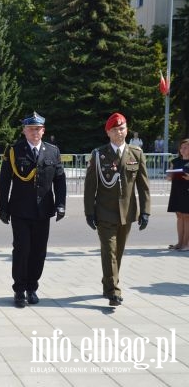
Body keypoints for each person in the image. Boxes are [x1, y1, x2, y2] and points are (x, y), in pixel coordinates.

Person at [0, 112, 66, 308]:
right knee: (22, 250)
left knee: (39, 251)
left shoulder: (53, 151)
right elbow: (4, 181)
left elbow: (59, 181)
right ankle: (19, 290)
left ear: (43, 131)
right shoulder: (14, 151)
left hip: (43, 211)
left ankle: (32, 287)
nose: (34, 132)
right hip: (20, 210)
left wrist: (60, 204)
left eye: (38, 129)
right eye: (31, 129)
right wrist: (2, 207)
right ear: (24, 131)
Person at [84, 112, 150, 307]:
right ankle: (114, 290)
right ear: (108, 133)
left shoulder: (136, 153)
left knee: (118, 252)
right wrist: (89, 212)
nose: (119, 133)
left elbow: (143, 185)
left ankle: (107, 284)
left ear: (127, 130)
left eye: (122, 129)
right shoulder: (99, 154)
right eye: (115, 130)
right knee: (109, 251)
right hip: (105, 212)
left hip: (128, 212)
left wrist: (145, 211)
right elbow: (90, 186)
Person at [166, 138, 189, 251]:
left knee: (187, 217)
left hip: (187, 191)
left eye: (185, 147)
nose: (182, 149)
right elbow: (169, 176)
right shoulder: (175, 161)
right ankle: (179, 243)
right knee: (179, 216)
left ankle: (186, 244)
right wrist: (169, 176)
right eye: (181, 147)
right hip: (177, 191)